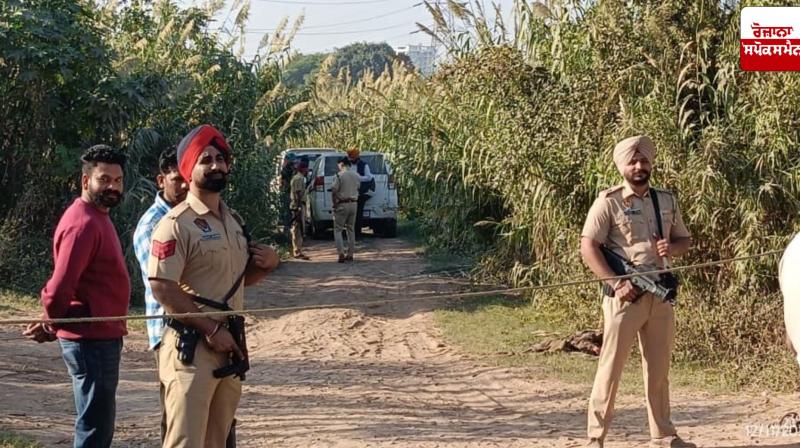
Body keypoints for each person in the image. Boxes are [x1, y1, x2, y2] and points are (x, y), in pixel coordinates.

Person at [148, 124, 279, 448]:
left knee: (216, 441)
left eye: (221, 159)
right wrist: (210, 330)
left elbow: (234, 282)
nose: (216, 165)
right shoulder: (175, 224)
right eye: (206, 160)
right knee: (186, 442)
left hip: (230, 343)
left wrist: (268, 266)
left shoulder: (233, 221)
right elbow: (162, 287)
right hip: (192, 348)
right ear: (188, 169)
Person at [579, 135, 694, 448]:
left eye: (644, 160)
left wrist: (671, 247)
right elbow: (588, 247)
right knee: (611, 368)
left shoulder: (666, 200)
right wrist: (617, 283)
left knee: (658, 369)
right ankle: (595, 437)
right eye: (633, 161)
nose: (639, 166)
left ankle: (664, 435)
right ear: (622, 166)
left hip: (660, 296)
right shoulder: (609, 201)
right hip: (624, 298)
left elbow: (685, 240)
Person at [23, 145, 130, 448]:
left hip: (100, 337)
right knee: (94, 427)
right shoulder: (82, 223)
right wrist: (50, 323)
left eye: (118, 180)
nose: (112, 186)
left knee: (98, 422)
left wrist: (51, 323)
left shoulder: (98, 216)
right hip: (90, 341)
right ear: (86, 181)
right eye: (104, 179)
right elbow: (59, 287)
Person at [132, 148, 188, 442]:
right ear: (160, 180)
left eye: (188, 179)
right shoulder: (152, 225)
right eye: (177, 179)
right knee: (175, 413)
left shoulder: (191, 217)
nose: (184, 186)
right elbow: (165, 284)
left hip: (198, 326)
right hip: (170, 330)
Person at [331, 157, 361, 263]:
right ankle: (350, 254)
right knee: (351, 229)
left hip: (342, 204)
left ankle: (341, 253)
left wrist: (334, 204)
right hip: (353, 204)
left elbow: (334, 191)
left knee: (338, 229)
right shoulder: (356, 175)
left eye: (339, 165)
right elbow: (358, 187)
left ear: (342, 164)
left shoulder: (339, 176)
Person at [346, 148, 374, 236]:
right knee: (350, 214)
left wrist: (358, 178)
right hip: (350, 192)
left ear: (357, 156)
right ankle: (351, 232)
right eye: (350, 157)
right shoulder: (347, 165)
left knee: (359, 213)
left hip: (361, 193)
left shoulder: (364, 165)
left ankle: (358, 232)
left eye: (353, 157)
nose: (351, 159)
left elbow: (369, 177)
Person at [290, 160, 310, 260]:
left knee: (300, 228)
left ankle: (299, 249)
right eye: (306, 168)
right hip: (298, 206)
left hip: (301, 205)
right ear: (303, 168)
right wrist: (298, 207)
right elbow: (297, 193)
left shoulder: (302, 178)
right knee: (297, 229)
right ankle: (297, 251)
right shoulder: (298, 178)